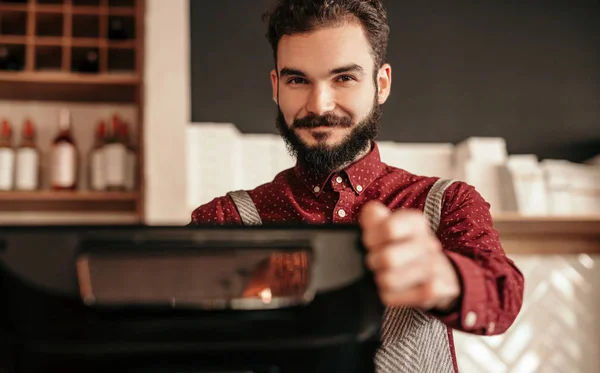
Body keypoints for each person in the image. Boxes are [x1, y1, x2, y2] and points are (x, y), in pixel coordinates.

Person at [189, 0, 524, 372]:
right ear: (276, 86)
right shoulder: (224, 219)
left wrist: (445, 277)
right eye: (298, 80)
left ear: (381, 84)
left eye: (344, 78)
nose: (319, 104)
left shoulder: (447, 202)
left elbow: (503, 297)